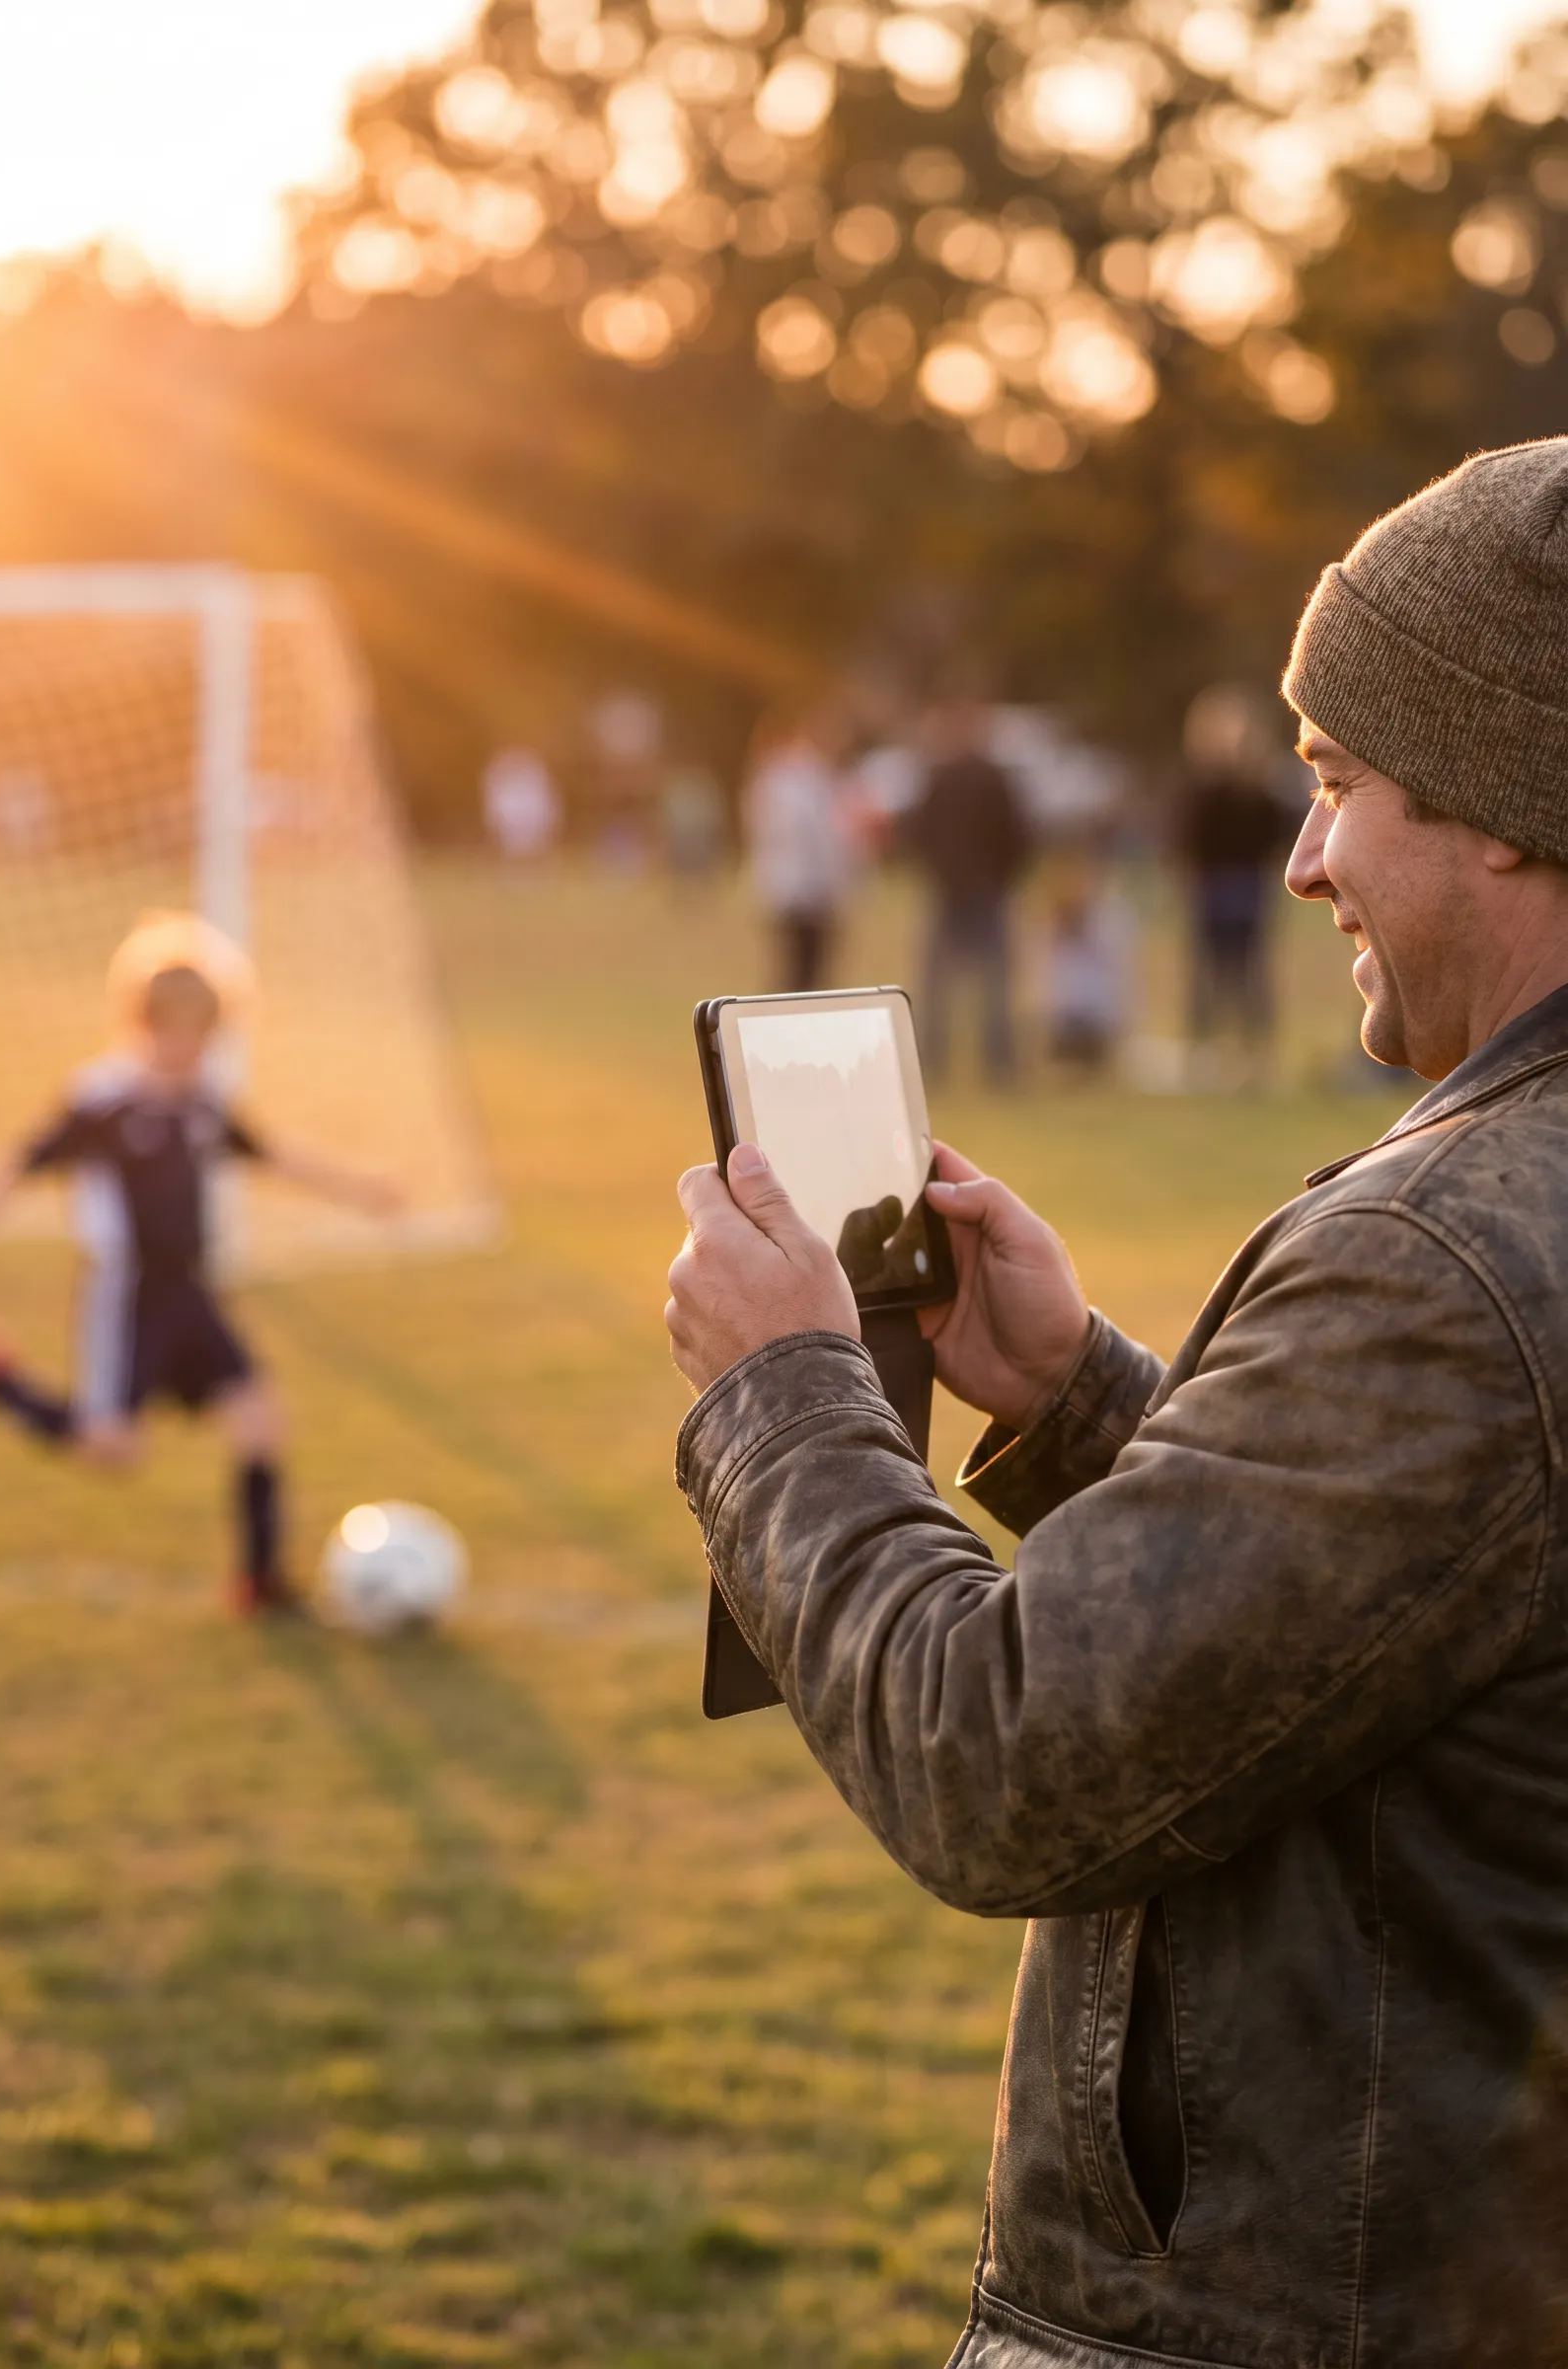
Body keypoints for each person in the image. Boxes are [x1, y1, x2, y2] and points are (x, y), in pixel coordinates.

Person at [664, 439, 1568, 2365]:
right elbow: (1447, 1598)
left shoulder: (1452, 1253)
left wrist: (783, 1394)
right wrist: (1081, 1404)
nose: (1300, 857)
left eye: (1337, 781)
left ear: (1506, 799)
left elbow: (998, 1761)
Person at [0, 913, 402, 1617]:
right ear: (143, 1024)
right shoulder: (102, 1100)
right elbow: (15, 1163)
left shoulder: (202, 1099)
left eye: (208, 1034)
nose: (197, 1048)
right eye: (184, 1033)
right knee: (114, 1450)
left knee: (260, 1417)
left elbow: (271, 1155)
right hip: (129, 1294)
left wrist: (362, 1190)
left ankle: (259, 1584)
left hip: (191, 1290)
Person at [901, 694, 1033, 1083]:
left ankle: (934, 1060)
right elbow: (1020, 836)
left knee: (942, 984)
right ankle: (997, 1063)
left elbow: (916, 831)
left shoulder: (941, 777)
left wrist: (938, 871)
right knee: (991, 982)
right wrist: (1002, 876)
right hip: (982, 890)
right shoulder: (992, 779)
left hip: (954, 889)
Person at [1173, 684, 1294, 1075]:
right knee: (1219, 974)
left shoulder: (1253, 793)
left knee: (1241, 974)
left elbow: (1275, 836)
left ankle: (1247, 1052)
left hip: (1241, 890)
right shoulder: (1215, 792)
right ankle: (1215, 1050)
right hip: (1224, 890)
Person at [742, 707, 856, 993]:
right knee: (799, 976)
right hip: (801, 892)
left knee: (804, 975)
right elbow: (820, 836)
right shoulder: (796, 783)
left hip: (792, 889)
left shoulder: (774, 781)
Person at [1041, 842, 1135, 1074]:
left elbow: (1121, 973)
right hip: (1069, 1019)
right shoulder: (1058, 921)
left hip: (1100, 1019)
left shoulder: (1110, 915)